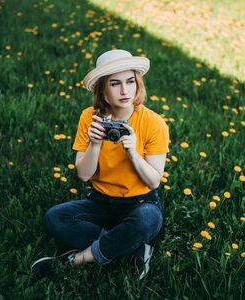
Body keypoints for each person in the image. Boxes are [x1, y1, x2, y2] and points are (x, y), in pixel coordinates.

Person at [31, 49, 170, 281]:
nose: (125, 90)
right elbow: (84, 175)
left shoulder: (154, 123)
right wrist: (94, 144)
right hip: (100, 201)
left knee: (148, 220)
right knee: (54, 218)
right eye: (115, 84)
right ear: (102, 91)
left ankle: (75, 260)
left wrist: (133, 153)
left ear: (138, 84)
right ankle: (130, 246)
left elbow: (153, 180)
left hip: (140, 202)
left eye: (130, 81)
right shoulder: (89, 118)